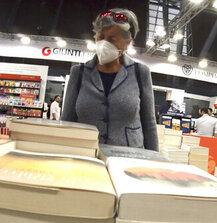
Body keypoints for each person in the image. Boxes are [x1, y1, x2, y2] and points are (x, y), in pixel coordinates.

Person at [61, 8, 158, 151]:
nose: (104, 43)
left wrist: (154, 161)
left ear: (127, 42)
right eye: (100, 37)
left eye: (112, 39)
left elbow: (149, 123)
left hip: (128, 157)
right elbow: (66, 121)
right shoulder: (79, 72)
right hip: (86, 155)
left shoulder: (140, 72)